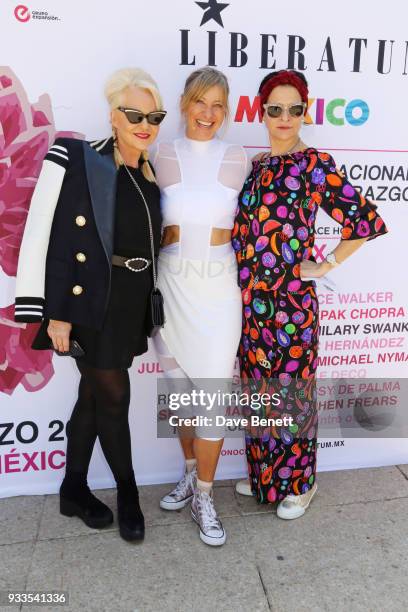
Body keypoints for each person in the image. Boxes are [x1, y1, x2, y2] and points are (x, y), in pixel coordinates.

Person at [14, 67, 166, 542]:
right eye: (134, 113)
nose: (145, 124)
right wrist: (53, 312)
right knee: (114, 396)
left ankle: (72, 489)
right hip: (87, 304)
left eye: (154, 115)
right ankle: (128, 494)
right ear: (113, 116)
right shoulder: (77, 156)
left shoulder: (149, 172)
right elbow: (46, 233)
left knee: (92, 397)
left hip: (129, 303)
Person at [233, 69, 388, 519]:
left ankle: (301, 483)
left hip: (292, 305)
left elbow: (364, 223)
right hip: (251, 303)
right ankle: (267, 477)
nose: (285, 117)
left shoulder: (315, 163)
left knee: (293, 394)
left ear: (305, 111)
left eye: (295, 109)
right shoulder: (257, 164)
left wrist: (325, 265)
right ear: (261, 111)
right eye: (275, 109)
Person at [153, 67, 249, 546]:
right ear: (185, 102)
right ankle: (191, 473)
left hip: (218, 289)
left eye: (218, 105)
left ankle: (205, 497)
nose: (207, 114)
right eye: (199, 102)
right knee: (181, 396)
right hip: (170, 286)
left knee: (211, 399)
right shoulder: (161, 153)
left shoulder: (237, 158)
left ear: (226, 111)